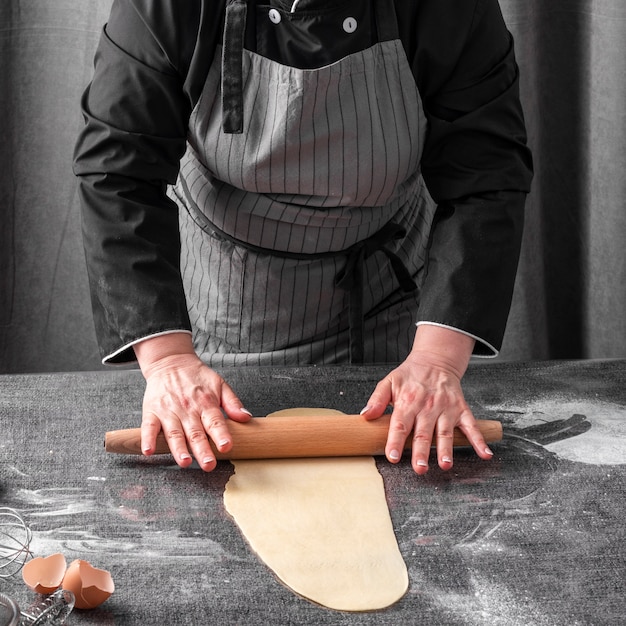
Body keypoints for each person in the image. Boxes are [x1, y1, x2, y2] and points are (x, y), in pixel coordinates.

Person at [74, 0, 533, 475]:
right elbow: (116, 174)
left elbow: (486, 175)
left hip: (391, 323)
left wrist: (438, 360)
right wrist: (168, 362)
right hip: (223, 319)